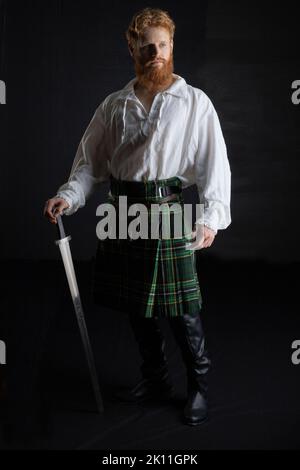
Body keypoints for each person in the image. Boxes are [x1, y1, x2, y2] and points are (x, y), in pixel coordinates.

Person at [44, 7, 231, 426]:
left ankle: (199, 385)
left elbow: (214, 163)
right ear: (133, 48)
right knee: (138, 307)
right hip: (124, 210)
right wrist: (68, 197)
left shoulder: (194, 102)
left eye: (163, 44)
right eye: (147, 46)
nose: (156, 53)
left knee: (182, 307)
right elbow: (90, 165)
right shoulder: (114, 105)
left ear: (171, 46)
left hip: (167, 209)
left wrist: (212, 217)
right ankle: (156, 379)